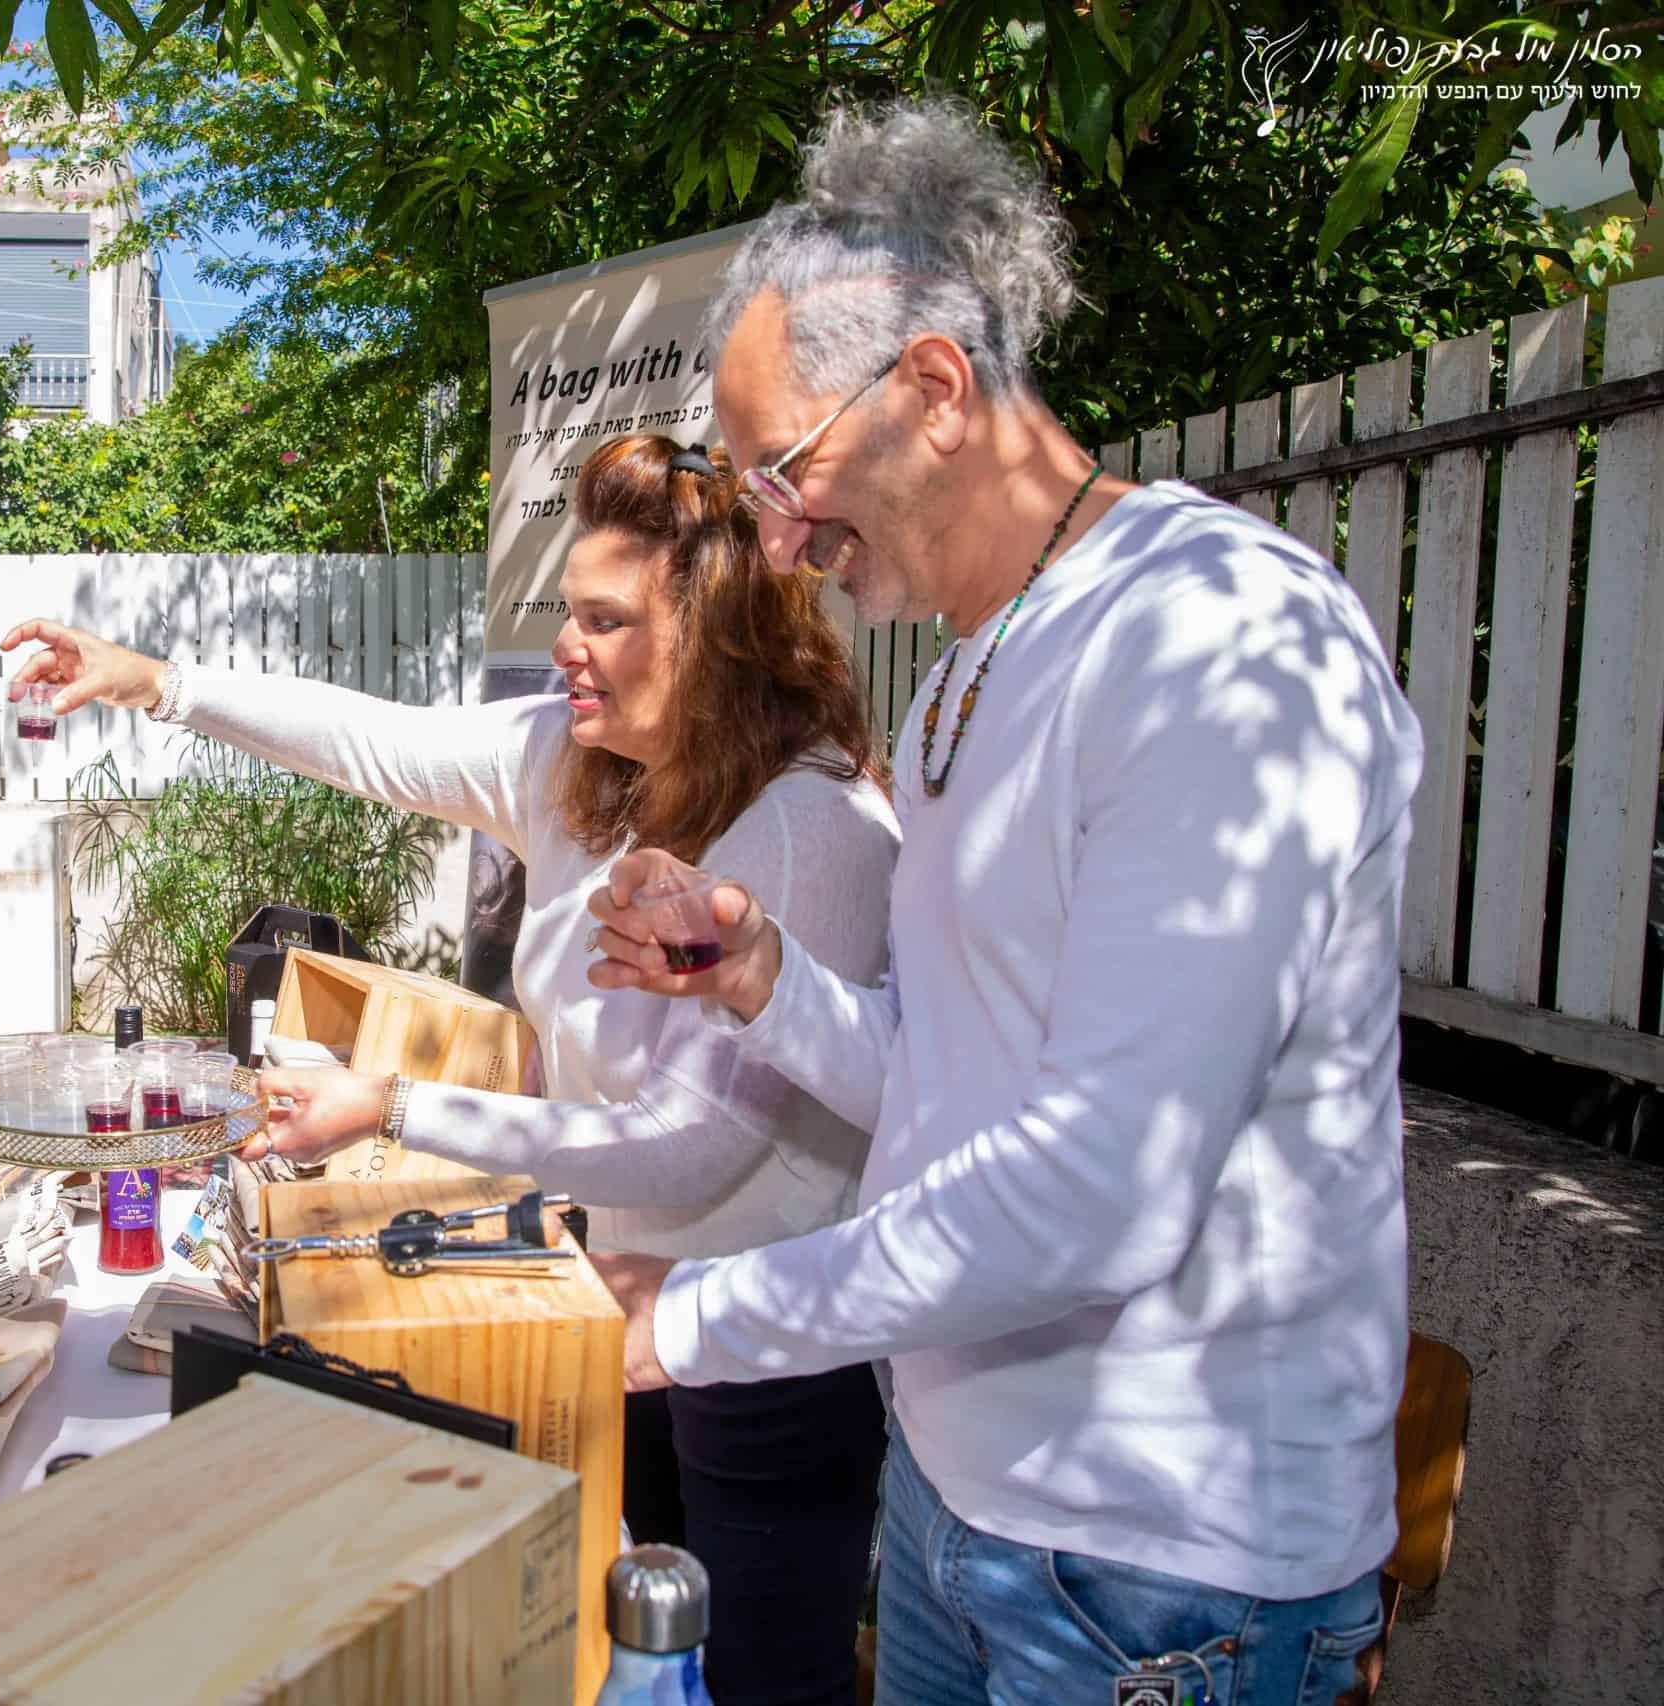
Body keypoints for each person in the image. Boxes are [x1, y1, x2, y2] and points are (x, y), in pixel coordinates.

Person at [584, 100, 1423, 1706]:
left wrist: (697, 1314)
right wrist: (767, 978)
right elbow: (965, 1092)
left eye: (783, 468)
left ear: (936, 389)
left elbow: (1102, 1189)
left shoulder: (1224, 641)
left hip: (1161, 1577)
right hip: (958, 1510)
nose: (774, 533)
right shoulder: (961, 681)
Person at [2, 433, 901, 1706]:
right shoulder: (576, 758)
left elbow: (693, 1142)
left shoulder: (812, 824)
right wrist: (156, 679)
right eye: (567, 613)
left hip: (770, 1356)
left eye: (605, 618)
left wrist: (395, 1102)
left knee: (760, 1679)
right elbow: (377, 740)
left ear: (712, 633)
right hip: (615, 1308)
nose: (568, 647)